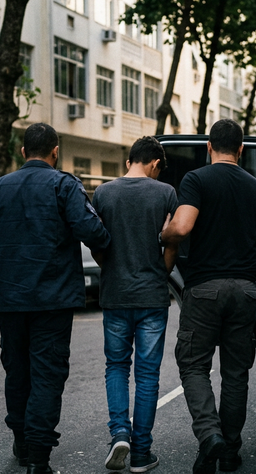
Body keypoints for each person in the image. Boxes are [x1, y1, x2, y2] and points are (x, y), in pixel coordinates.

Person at [0, 123, 111, 474]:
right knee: (47, 373)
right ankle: (38, 457)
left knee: (17, 369)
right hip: (53, 299)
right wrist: (108, 246)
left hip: (9, 299)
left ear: (23, 152)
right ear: (55, 151)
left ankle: (21, 439)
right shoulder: (64, 184)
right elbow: (91, 231)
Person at [160, 119, 256, 474]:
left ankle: (209, 436)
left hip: (205, 288)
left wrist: (166, 233)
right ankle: (231, 451)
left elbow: (183, 226)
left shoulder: (196, 179)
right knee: (236, 374)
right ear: (241, 149)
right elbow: (254, 243)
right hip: (246, 289)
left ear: (209, 146)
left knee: (193, 366)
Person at [91, 137, 178, 473]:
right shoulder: (165, 193)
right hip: (152, 297)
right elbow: (173, 238)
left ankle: (119, 435)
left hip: (115, 294)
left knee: (116, 367)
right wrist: (162, 270)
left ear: (130, 160)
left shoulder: (103, 193)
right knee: (147, 376)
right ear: (155, 163)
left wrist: (109, 267)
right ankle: (141, 454)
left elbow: (97, 240)